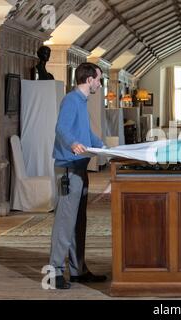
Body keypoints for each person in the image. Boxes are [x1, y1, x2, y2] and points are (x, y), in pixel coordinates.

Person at [49, 62, 106, 289]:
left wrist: (102, 147)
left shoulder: (82, 102)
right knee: (65, 223)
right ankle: (54, 273)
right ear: (89, 79)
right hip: (69, 171)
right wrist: (73, 144)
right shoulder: (71, 100)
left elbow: (86, 132)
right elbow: (61, 128)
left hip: (80, 169)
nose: (99, 84)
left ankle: (78, 270)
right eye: (98, 79)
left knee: (78, 222)